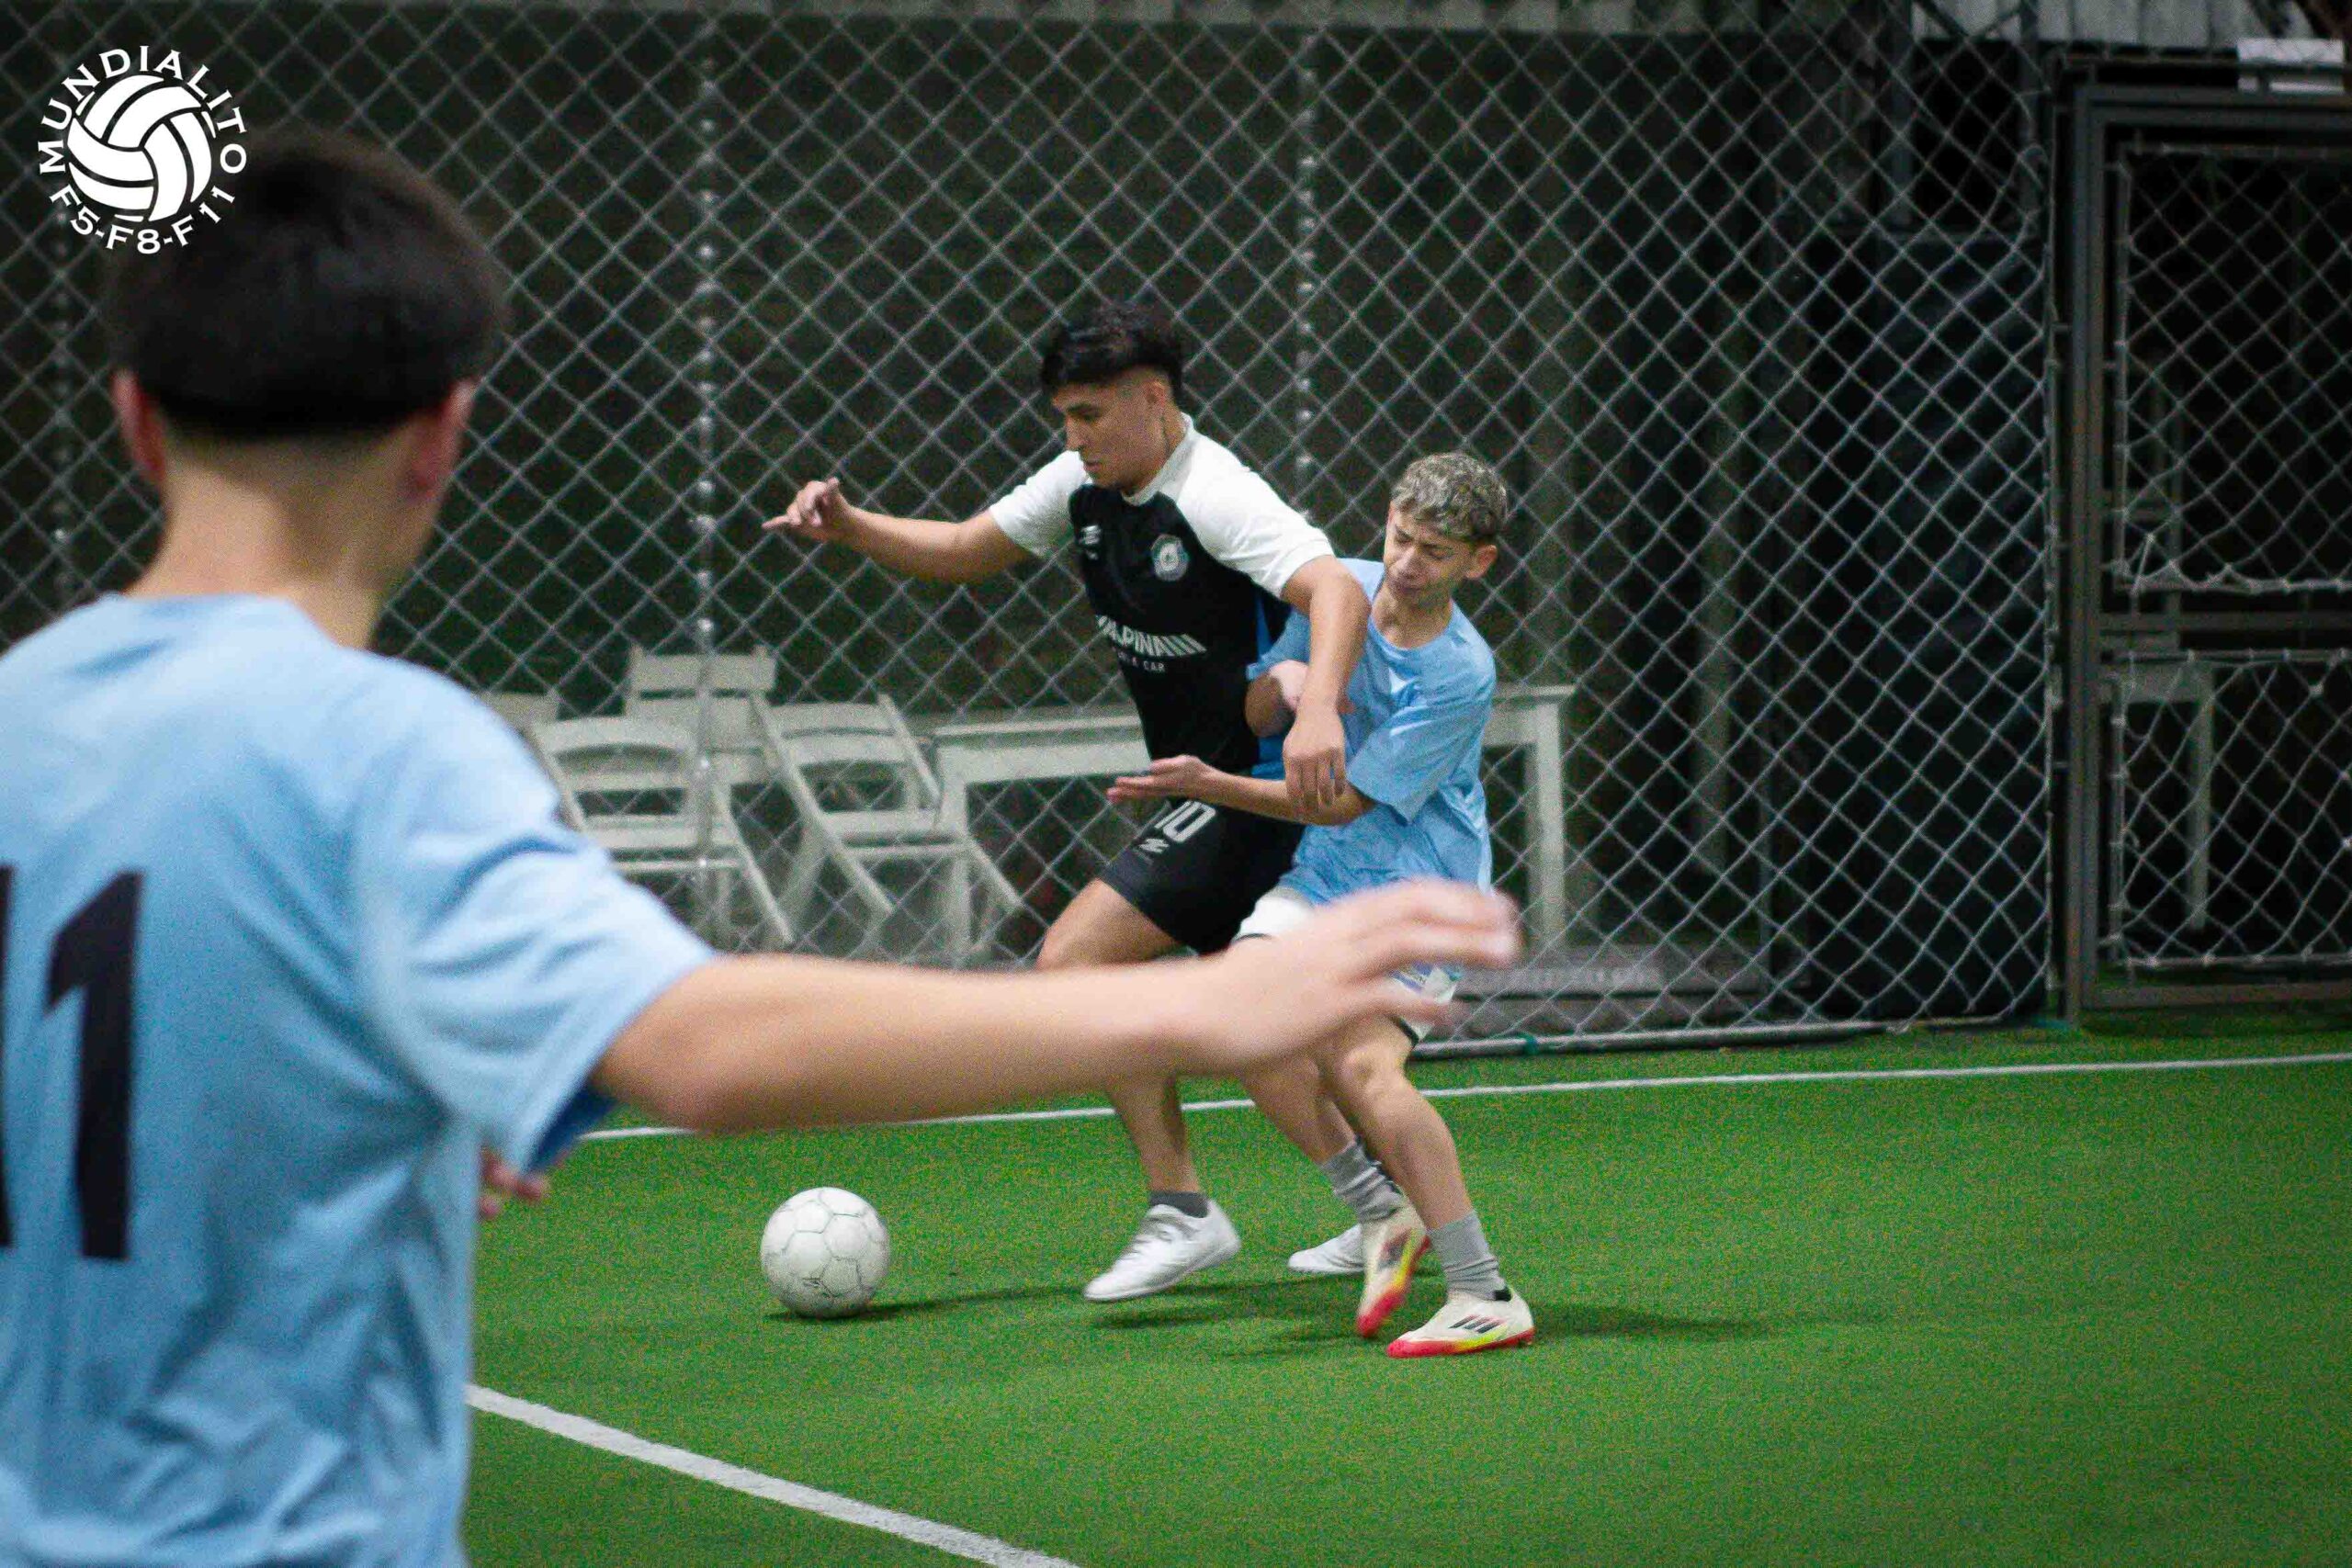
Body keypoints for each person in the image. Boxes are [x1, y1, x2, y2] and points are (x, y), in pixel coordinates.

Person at [0, 129, 1522, 1563]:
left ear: (133, 418)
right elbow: (704, 1049)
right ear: (439, 437)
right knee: (1104, 959)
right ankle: (1283, 1201)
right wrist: (1201, 1005)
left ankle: (1290, 1205)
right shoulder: (390, 753)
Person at [766, 299, 1404, 1303]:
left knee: (1078, 959)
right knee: (1268, 1037)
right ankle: (1381, 1209)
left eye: (1089, 415)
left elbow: (1335, 589)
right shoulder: (1084, 484)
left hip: (1250, 790)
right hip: (1201, 789)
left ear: (1154, 399)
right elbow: (967, 547)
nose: (1072, 438)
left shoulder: (1217, 493)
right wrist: (850, 527)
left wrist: (1319, 706)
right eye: (1063, 416)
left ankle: (1186, 1211)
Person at [1110, 452, 1535, 1357]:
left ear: (1479, 562)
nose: (1408, 562)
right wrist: (1288, 688)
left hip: (1418, 893)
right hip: (1327, 877)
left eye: (1435, 551)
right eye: (1401, 537)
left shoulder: (1459, 674)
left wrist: (1209, 783)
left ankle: (1485, 1290)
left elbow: (1339, 800)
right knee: (1242, 1020)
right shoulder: (1339, 589)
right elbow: (1261, 711)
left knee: (1363, 1067)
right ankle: (1381, 1212)